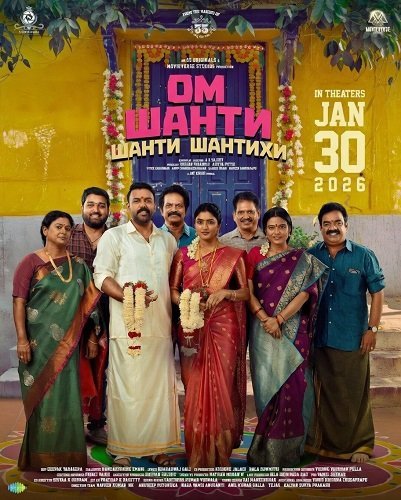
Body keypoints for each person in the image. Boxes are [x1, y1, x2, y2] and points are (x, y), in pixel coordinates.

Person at [93, 182, 180, 467]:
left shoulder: (167, 241)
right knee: (126, 389)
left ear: (155, 205)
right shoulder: (114, 237)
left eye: (148, 200)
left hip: (161, 327)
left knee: (158, 391)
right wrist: (130, 298)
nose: (143, 205)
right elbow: (101, 276)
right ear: (128, 205)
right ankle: (122, 448)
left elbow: (173, 283)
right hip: (127, 328)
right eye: (137, 200)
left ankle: (158, 447)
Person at [13, 211, 101, 470]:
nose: (63, 231)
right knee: (42, 398)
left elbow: (90, 307)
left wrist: (92, 337)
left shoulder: (79, 266)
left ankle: (69, 458)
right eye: (58, 227)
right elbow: (19, 302)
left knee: (68, 397)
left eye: (67, 228)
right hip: (37, 345)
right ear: (45, 230)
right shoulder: (30, 262)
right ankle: (40, 457)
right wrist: (22, 340)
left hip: (68, 346)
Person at [246, 207, 328, 467]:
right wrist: (265, 319)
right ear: (265, 231)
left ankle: (290, 451)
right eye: (271, 227)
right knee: (268, 387)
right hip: (263, 332)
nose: (277, 232)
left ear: (290, 229)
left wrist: (279, 319)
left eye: (282, 226)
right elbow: (248, 292)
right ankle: (265, 449)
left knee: (294, 386)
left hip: (293, 331)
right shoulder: (254, 256)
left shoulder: (302, 258)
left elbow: (306, 294)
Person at [170, 202, 249, 468]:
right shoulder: (183, 255)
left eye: (210, 222)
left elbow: (245, 293)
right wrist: (188, 302)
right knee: (194, 386)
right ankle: (197, 452)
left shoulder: (234, 255)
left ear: (219, 225)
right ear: (195, 224)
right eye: (200, 222)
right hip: (192, 324)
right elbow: (172, 290)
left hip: (224, 326)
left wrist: (225, 293)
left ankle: (219, 452)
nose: (205, 227)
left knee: (221, 386)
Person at [305, 202, 385, 463]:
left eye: (337, 223)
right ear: (320, 227)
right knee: (323, 392)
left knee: (353, 392)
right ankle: (322, 445)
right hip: (319, 335)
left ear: (346, 225)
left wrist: (372, 329)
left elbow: (377, 292)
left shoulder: (363, 255)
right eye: (326, 224)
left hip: (352, 335)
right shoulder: (311, 255)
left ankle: (360, 444)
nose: (332, 228)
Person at [68, 186, 110, 446]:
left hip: (108, 310)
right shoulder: (68, 234)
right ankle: (71, 424)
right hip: (72, 311)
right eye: (91, 205)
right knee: (71, 367)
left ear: (108, 210)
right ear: (82, 207)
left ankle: (97, 424)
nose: (96, 210)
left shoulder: (115, 236)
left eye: (101, 205)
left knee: (101, 367)